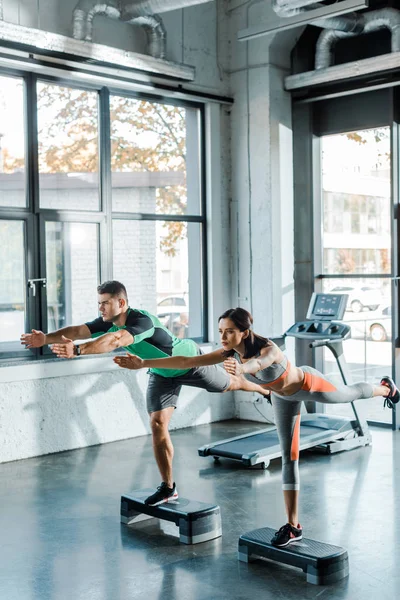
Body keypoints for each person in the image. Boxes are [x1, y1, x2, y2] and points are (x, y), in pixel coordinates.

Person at [114, 306, 400, 547]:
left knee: (347, 394)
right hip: (281, 398)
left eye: (229, 331)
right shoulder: (227, 353)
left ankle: (384, 388)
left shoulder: (267, 348)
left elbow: (259, 364)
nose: (223, 337)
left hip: (307, 385)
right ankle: (293, 526)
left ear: (244, 332)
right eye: (220, 331)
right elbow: (187, 360)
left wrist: (242, 369)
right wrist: (143, 363)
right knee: (289, 458)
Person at [20, 282, 271, 507]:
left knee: (230, 384)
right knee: (157, 424)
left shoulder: (142, 321)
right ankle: (168, 487)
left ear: (121, 302)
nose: (101, 309)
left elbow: (115, 340)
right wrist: (45, 339)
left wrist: (76, 351)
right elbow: (78, 330)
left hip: (187, 362)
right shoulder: (107, 320)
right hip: (160, 372)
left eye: (105, 303)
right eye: (99, 304)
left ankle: (262, 388)